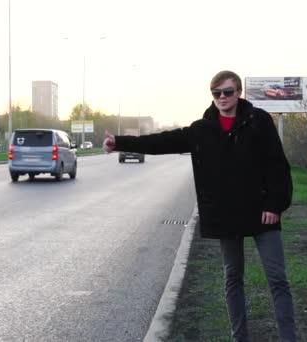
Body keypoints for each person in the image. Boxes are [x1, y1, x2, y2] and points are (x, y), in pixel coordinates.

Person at [103, 70, 296, 341]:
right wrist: (120, 142)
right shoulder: (203, 129)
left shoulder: (258, 121)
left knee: (277, 278)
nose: (222, 98)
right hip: (227, 215)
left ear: (238, 91)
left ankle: (289, 337)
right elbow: (162, 141)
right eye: (216, 93)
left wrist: (274, 205)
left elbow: (277, 166)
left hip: (263, 212)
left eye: (227, 92)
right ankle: (240, 337)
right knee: (232, 278)